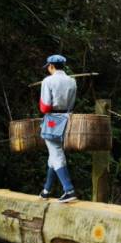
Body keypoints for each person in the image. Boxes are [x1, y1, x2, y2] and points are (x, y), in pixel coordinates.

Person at [38, 54, 78, 203]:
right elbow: (72, 103)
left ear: (51, 66)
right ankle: (46, 190)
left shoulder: (47, 81)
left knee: (56, 153)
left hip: (52, 121)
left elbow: (45, 106)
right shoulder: (72, 81)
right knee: (53, 156)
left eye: (48, 67)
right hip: (67, 119)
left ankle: (69, 189)